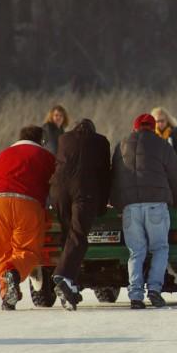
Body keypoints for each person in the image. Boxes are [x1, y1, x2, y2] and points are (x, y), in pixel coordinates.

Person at [110, 113, 177, 309]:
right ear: (153, 128)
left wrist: (117, 204)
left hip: (130, 207)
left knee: (136, 252)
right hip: (156, 205)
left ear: (135, 127)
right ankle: (154, 290)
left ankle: (135, 296)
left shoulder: (121, 145)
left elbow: (114, 176)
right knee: (160, 248)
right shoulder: (162, 145)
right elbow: (175, 175)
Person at [0, 125, 56, 310]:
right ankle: (14, 272)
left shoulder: (3, 154)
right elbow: (55, 185)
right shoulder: (45, 156)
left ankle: (7, 295)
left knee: (3, 251)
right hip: (27, 203)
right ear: (41, 140)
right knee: (28, 251)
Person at [50, 118, 111, 310]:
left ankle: (71, 286)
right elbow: (104, 175)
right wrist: (101, 205)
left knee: (68, 234)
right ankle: (63, 276)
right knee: (79, 235)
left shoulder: (63, 139)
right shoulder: (101, 142)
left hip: (59, 190)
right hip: (84, 192)